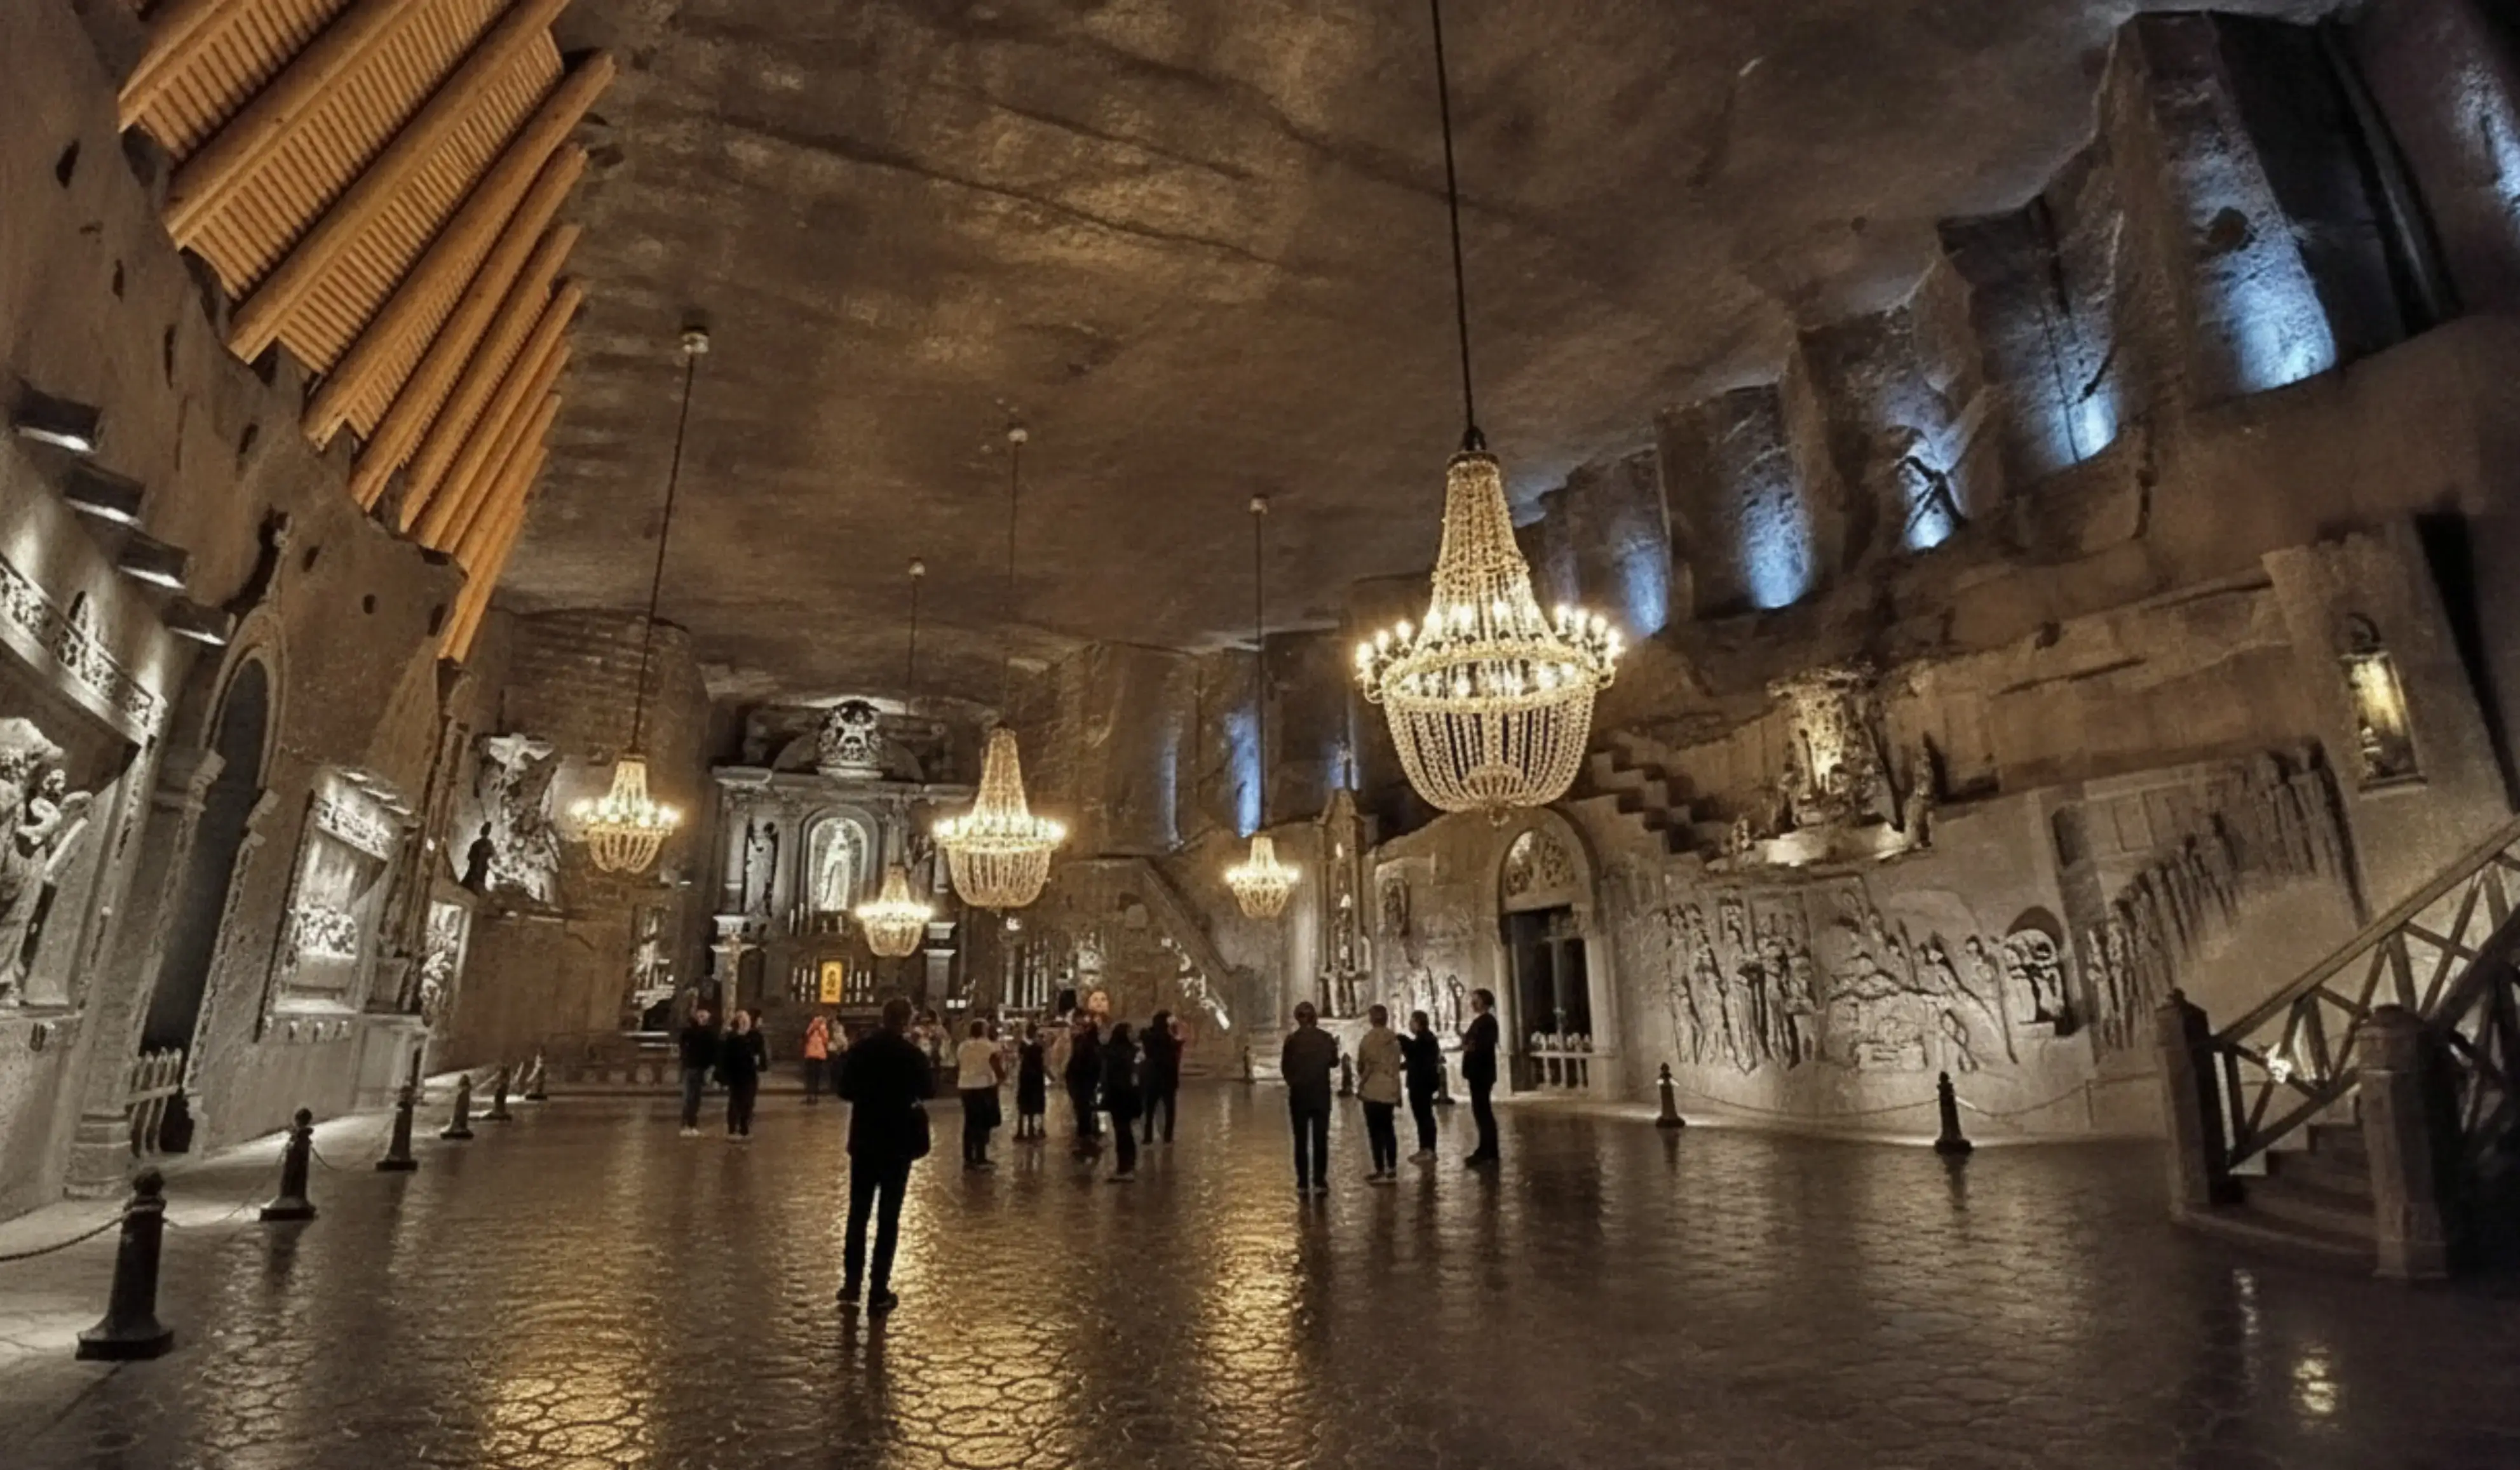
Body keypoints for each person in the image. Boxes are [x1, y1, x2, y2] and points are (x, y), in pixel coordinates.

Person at [837, 996, 933, 1316]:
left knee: (858, 1214)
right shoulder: (911, 1054)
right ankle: (878, 1289)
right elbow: (929, 1090)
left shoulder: (862, 1050)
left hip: (865, 1138)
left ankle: (851, 1285)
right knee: (888, 1219)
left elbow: (844, 1089)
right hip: (898, 1142)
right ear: (906, 1022)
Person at [1280, 1001, 1339, 1196]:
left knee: (1301, 1139)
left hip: (1300, 1095)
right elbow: (1334, 1062)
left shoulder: (1292, 1041)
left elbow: (1285, 1068)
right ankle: (1320, 1181)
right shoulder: (1326, 1038)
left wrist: (1295, 1083)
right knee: (1320, 1139)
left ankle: (1303, 1183)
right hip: (1321, 1094)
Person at [1355, 1004, 1403, 1182]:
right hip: (1390, 1088)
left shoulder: (1367, 1040)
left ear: (1371, 1019)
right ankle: (1392, 1168)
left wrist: (1361, 1082)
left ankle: (1380, 1169)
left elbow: (1362, 1066)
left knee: (1375, 1131)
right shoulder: (1394, 1040)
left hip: (1373, 1089)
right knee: (1389, 1129)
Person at [955, 1018, 1005, 1170]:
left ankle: (968, 1157)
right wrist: (1002, 1078)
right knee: (983, 1123)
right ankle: (981, 1158)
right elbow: (995, 1065)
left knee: (970, 1122)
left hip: (965, 1086)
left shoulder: (962, 1046)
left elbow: (959, 1064)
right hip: (984, 1086)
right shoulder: (988, 1046)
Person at [1462, 988, 1501, 1166]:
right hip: (1477, 1072)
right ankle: (1484, 1148)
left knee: (1483, 1112)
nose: (1472, 1003)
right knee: (1480, 1111)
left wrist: (1471, 1047)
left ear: (1484, 1001)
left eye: (1476, 1000)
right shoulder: (1481, 1021)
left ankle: (1489, 1151)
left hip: (1482, 1072)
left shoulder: (1488, 1022)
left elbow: (1482, 1046)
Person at [718, 1008, 768, 1140]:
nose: (745, 1024)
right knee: (735, 1102)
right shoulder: (732, 1038)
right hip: (736, 1075)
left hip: (749, 1074)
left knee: (748, 1102)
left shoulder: (754, 1037)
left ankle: (744, 1128)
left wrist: (760, 1063)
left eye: (746, 1021)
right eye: (742, 1021)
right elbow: (725, 1058)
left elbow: (760, 1054)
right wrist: (723, 1077)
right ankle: (732, 1129)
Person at [1402, 1009, 1444, 1161]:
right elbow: (1414, 1059)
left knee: (1424, 1117)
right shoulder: (1425, 1039)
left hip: (1421, 1083)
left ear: (1418, 1023)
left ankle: (1428, 1149)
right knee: (1423, 1116)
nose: (1409, 1025)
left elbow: (1416, 1055)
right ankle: (1425, 1148)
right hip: (1423, 1082)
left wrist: (1403, 1041)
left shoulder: (1425, 1040)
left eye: (1411, 1022)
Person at [1102, 1021, 1142, 1182]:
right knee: (1125, 1132)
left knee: (1122, 1132)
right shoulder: (1131, 1053)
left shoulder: (1116, 1053)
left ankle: (1124, 1167)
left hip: (1119, 1096)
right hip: (1127, 1096)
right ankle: (1127, 1165)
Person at [1140, 1008, 1181, 1144]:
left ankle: (1148, 1137)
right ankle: (1168, 1138)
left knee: (1149, 1110)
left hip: (1151, 1078)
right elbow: (1174, 1055)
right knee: (1169, 1110)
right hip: (1167, 1078)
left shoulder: (1148, 1035)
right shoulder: (1168, 1039)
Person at [1064, 1013, 1103, 1151]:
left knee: (1084, 1111)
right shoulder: (1088, 1047)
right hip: (1082, 1084)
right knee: (1084, 1111)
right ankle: (1085, 1140)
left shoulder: (1086, 1045)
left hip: (1082, 1084)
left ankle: (1086, 1137)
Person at [675, 1004, 717, 1137]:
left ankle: (692, 1124)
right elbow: (683, 1045)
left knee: (696, 1098)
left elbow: (712, 1050)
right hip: (692, 1067)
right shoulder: (690, 1031)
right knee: (689, 1097)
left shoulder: (709, 1032)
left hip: (701, 1068)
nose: (702, 1019)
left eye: (704, 1016)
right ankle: (686, 1124)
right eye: (700, 1016)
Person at [1015, 1022, 1049, 1140]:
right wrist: (1049, 1074)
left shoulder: (1023, 1045)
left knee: (1023, 1102)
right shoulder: (1038, 1045)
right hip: (1036, 1076)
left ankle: (1021, 1129)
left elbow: (1020, 1058)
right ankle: (1032, 1129)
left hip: (1025, 1075)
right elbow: (1042, 1061)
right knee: (1034, 1102)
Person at [802, 1012, 833, 1105]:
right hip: (815, 1054)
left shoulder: (818, 1028)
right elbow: (825, 1039)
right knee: (813, 1076)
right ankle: (812, 1095)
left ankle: (812, 1095)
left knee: (813, 1076)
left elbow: (825, 1039)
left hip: (814, 1054)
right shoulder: (814, 1027)